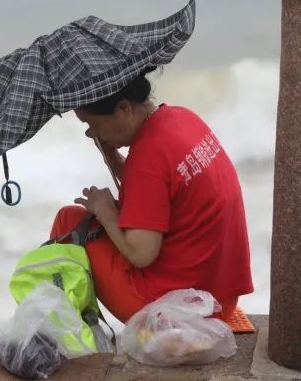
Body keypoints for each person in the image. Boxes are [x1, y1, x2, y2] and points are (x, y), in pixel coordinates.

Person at [49, 67, 253, 326]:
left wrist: (106, 211)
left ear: (123, 109)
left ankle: (62, 334)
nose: (93, 134)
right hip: (220, 300)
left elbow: (141, 255)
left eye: (93, 124)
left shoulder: (147, 157)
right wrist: (112, 157)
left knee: (69, 221)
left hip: (176, 313)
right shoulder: (181, 118)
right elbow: (156, 190)